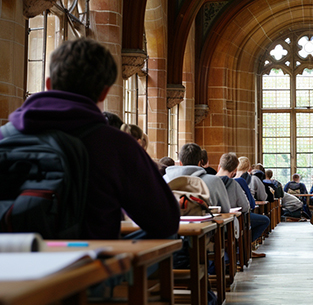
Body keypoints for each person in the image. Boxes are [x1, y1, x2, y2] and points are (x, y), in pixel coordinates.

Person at [0, 38, 180, 239]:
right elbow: (166, 221)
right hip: (85, 266)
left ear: (48, 84)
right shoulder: (115, 145)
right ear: (104, 92)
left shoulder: (4, 136)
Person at [164, 143, 231, 213]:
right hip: (206, 223)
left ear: (180, 163)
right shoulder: (215, 181)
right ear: (199, 163)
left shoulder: (165, 180)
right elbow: (226, 209)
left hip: (172, 222)